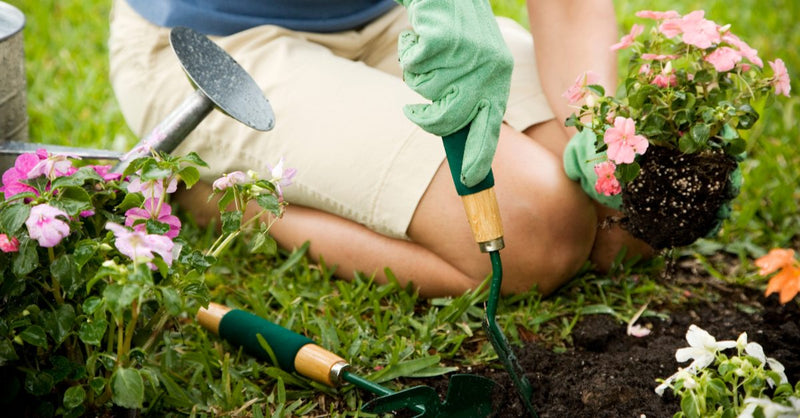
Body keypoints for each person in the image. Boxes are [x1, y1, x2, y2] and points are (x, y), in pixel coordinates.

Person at [108, 0, 654, 298]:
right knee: (532, 237)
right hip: (217, 48)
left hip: (391, 18)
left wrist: (595, 127)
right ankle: (226, 198)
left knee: (625, 223)